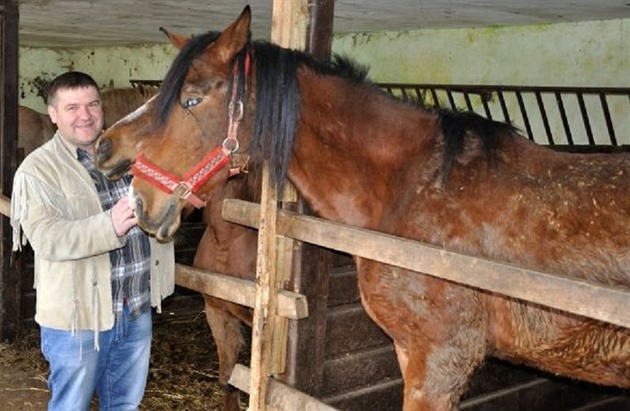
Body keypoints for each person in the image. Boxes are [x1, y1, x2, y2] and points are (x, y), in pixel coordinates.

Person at [10, 71, 175, 411]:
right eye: (71, 108)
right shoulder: (36, 171)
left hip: (134, 309)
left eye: (91, 104)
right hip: (78, 319)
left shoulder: (130, 156)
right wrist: (108, 226)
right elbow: (48, 239)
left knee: (125, 405)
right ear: (53, 114)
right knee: (71, 405)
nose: (84, 115)